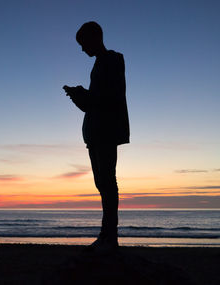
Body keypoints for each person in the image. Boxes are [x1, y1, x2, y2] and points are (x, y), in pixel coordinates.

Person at [63, 21, 130, 252]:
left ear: (95, 38)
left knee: (107, 182)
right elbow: (94, 103)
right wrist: (79, 96)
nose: (82, 49)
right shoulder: (101, 63)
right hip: (96, 132)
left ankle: (109, 236)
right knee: (102, 183)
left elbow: (108, 98)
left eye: (83, 44)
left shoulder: (113, 59)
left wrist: (83, 95)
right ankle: (106, 235)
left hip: (106, 131)